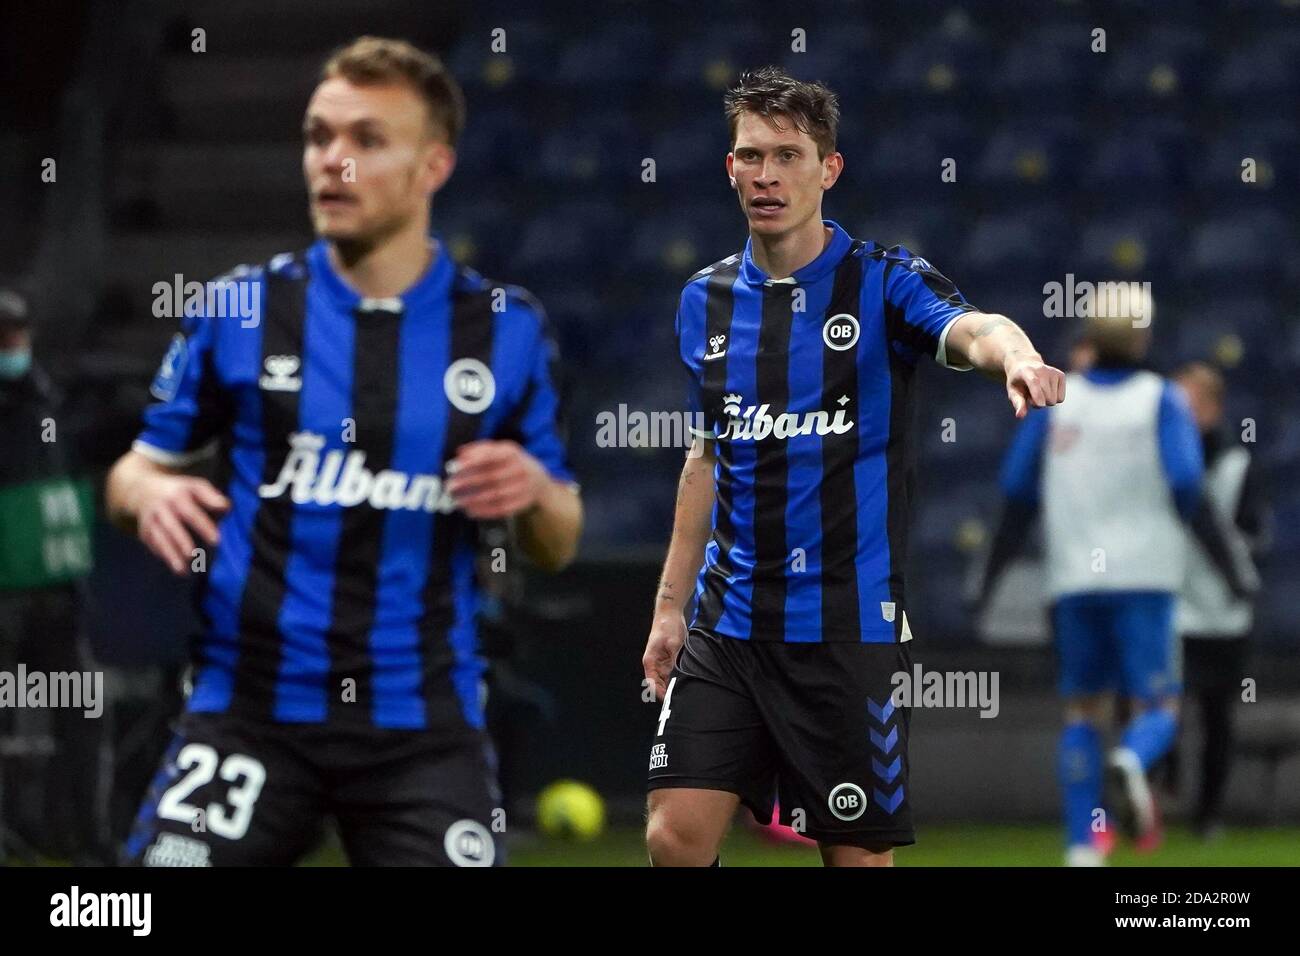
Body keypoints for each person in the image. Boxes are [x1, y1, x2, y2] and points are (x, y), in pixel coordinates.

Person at [108, 37, 582, 866]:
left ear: (433, 166)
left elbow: (560, 536)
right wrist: (147, 492)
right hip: (247, 716)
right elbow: (133, 470)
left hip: (422, 732)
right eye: (318, 136)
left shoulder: (506, 329)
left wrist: (535, 491)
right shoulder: (240, 309)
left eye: (367, 140)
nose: (332, 161)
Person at [641, 67, 1064, 867]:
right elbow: (706, 454)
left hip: (847, 630)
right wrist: (670, 609)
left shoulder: (883, 281)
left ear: (828, 170)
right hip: (727, 623)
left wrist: (1016, 355)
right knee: (673, 838)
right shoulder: (705, 299)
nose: (767, 175)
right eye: (750, 156)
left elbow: (975, 327)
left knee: (857, 859)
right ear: (729, 168)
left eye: (789, 155)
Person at [982, 293, 1248, 865]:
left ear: (1088, 341)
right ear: (1143, 343)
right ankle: (1131, 759)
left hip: (1073, 582)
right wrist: (1231, 570)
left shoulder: (1055, 400)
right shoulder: (1162, 401)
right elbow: (1185, 487)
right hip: (1146, 579)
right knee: (1158, 708)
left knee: (1081, 711)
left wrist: (988, 577)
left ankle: (1082, 846)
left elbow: (1016, 492)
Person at [0, 286, 109, 863]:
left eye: (15, 331)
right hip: (7, 594)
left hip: (54, 588)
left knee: (84, 716)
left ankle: (88, 841)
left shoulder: (51, 400)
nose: (11, 344)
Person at [1172, 361, 1268, 838]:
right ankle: (1151, 802)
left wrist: (1231, 558)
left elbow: (1255, 535)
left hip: (1225, 615)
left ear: (1211, 408)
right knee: (1161, 708)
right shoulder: (1161, 458)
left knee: (1218, 720)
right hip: (1174, 609)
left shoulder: (1238, 464)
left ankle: (1208, 816)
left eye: (1188, 404)